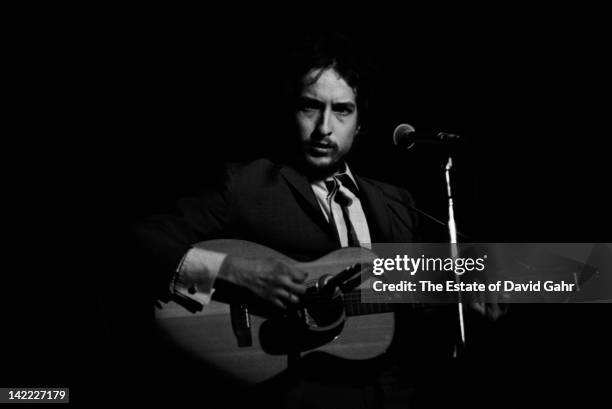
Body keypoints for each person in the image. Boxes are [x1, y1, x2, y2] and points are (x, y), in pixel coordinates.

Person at [128, 32, 499, 409]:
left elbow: (408, 309)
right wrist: (237, 272)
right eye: (310, 107)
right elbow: (136, 243)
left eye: (342, 110)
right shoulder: (246, 185)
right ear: (290, 111)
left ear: (359, 124)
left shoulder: (398, 204)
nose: (324, 127)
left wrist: (463, 300)